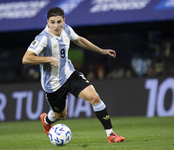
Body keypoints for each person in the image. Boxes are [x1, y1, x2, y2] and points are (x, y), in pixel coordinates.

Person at [22, 7, 125, 143]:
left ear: (64, 21)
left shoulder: (66, 29)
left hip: (69, 74)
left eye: (59, 22)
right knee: (61, 115)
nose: (56, 26)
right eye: (52, 22)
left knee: (94, 97)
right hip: (53, 84)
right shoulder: (43, 38)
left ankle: (111, 135)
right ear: (47, 22)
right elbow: (26, 59)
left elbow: (79, 40)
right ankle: (46, 120)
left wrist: (101, 51)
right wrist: (48, 59)